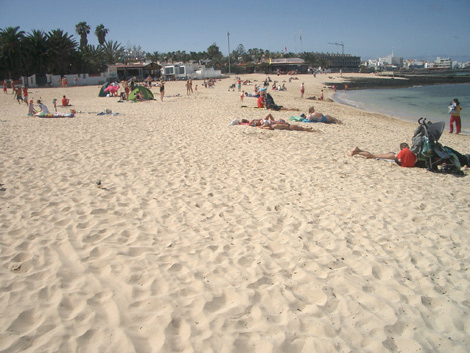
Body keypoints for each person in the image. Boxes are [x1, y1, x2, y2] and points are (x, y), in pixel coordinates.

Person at [350, 143, 416, 167]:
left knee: (373, 155)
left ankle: (358, 150)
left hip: (392, 155)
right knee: (373, 156)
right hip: (392, 156)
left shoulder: (403, 151)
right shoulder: (410, 152)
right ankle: (357, 152)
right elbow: (399, 160)